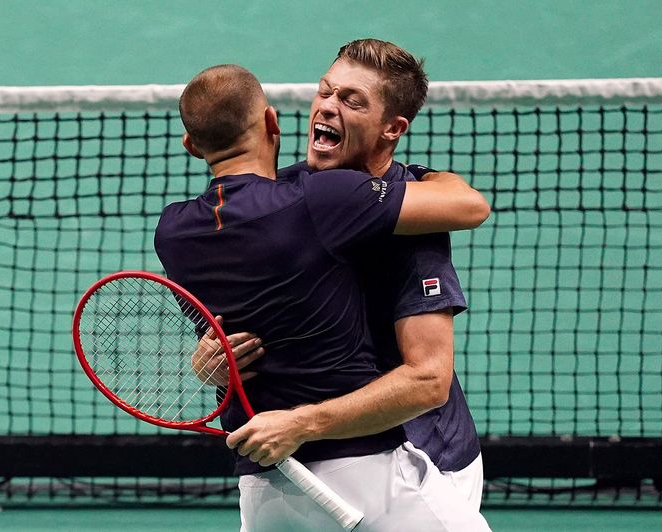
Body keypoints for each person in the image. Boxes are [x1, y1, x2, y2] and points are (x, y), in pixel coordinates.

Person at [155, 64, 490, 531]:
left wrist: (301, 423)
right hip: (306, 462)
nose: (328, 106)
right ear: (272, 121)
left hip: (423, 451)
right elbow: (234, 330)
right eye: (325, 91)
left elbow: (429, 381)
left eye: (351, 100)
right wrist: (213, 361)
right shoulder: (304, 195)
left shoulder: (174, 229)